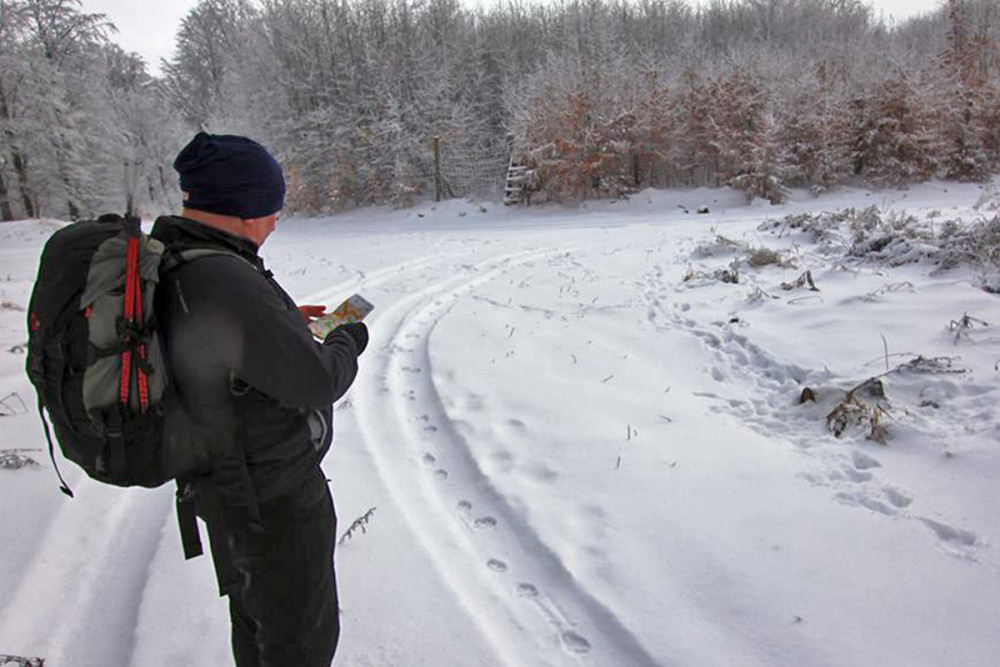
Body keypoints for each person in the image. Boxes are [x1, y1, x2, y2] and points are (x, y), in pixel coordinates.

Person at [151, 132, 367, 667]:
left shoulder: (182, 256)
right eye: (272, 206)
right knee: (298, 641)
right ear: (244, 206)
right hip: (271, 500)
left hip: (228, 488)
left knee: (257, 622)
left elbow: (209, 341)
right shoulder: (221, 274)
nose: (276, 219)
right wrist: (345, 340)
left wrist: (279, 325)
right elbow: (316, 383)